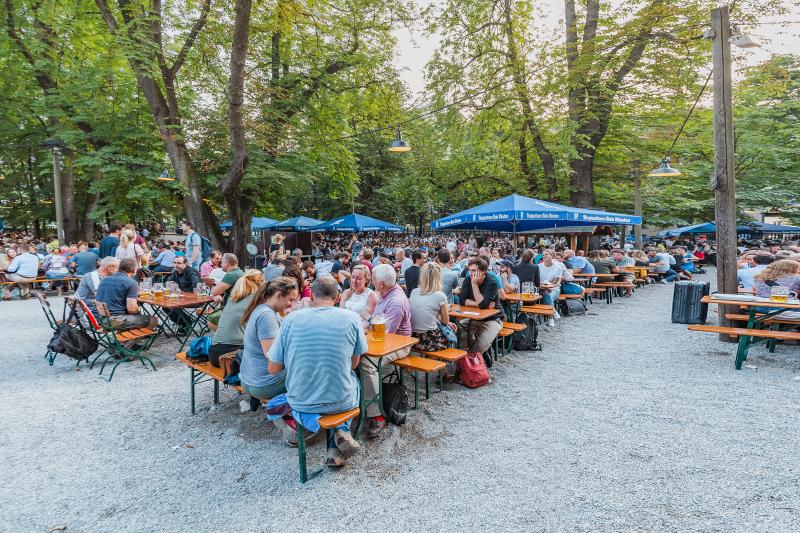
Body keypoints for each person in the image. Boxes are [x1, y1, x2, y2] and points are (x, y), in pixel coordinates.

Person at [266, 275, 365, 467]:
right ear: (337, 298)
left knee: (274, 404)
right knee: (354, 379)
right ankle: (339, 434)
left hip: (302, 402)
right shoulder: (352, 318)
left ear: (311, 297)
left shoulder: (291, 320)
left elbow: (273, 368)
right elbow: (353, 364)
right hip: (341, 401)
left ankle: (318, 425)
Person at [364, 263, 412, 438]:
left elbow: (387, 334)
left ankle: (377, 414)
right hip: (383, 340)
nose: (371, 280)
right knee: (352, 357)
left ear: (381, 284)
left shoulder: (396, 301)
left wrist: (367, 322)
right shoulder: (385, 293)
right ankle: (360, 400)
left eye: (373, 279)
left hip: (400, 344)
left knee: (367, 364)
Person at [238, 277, 297, 403]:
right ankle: (291, 415)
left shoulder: (261, 309)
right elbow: (272, 357)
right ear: (279, 295)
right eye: (290, 300)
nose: (291, 304)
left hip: (249, 379)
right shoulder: (267, 316)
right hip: (263, 384)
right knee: (311, 368)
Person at [208, 269, 263, 367]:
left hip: (214, 352)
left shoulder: (233, 297)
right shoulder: (257, 299)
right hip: (231, 356)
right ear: (261, 282)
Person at [95, 258, 157, 331]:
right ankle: (130, 341)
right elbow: (132, 309)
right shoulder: (131, 282)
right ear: (134, 270)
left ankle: (127, 336)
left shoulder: (105, 279)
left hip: (101, 319)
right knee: (153, 320)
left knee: (136, 318)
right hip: (115, 321)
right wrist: (138, 312)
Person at [458, 257, 504, 354]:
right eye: (469, 270)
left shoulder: (491, 281)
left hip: (493, 319)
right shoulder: (468, 279)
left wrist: (474, 285)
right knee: (458, 330)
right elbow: (462, 301)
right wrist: (478, 304)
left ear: (483, 271)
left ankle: (475, 358)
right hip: (473, 317)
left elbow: (482, 304)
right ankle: (467, 358)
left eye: (474, 270)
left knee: (480, 346)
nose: (470, 273)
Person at [410, 263, 454, 352]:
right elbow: (445, 321)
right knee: (452, 336)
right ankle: (442, 362)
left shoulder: (414, 292)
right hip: (431, 339)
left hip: (413, 337)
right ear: (438, 277)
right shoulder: (440, 296)